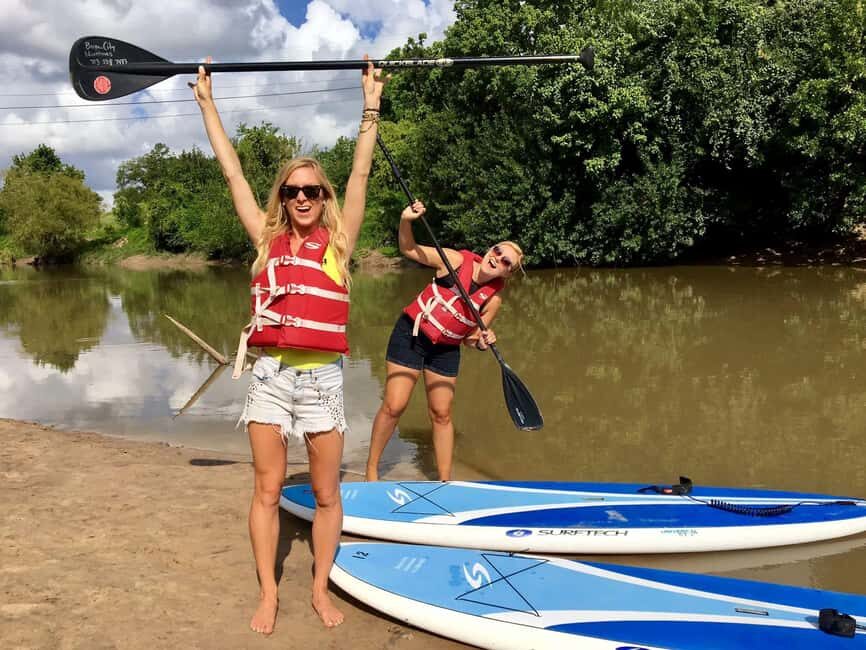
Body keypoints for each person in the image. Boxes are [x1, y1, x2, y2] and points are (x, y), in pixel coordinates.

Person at [191, 57, 386, 633]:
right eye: (292, 190)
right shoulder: (266, 238)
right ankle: (269, 593)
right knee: (268, 488)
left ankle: (320, 589)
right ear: (283, 197)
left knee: (327, 493)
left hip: (322, 379)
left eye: (312, 190)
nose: (302, 197)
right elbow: (232, 176)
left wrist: (370, 106)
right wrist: (207, 103)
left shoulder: (339, 243)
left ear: (323, 197)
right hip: (271, 375)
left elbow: (360, 177)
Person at [365, 200, 524, 482]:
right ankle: (372, 471)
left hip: (446, 349)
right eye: (497, 250)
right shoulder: (455, 260)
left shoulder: (493, 300)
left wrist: (484, 339)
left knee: (441, 413)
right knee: (395, 405)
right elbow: (409, 249)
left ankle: (445, 481)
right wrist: (406, 220)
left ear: (508, 273)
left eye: (505, 262)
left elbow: (471, 340)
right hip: (411, 334)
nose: (497, 258)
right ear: (490, 249)